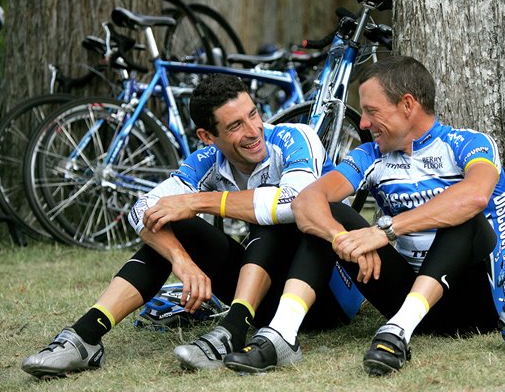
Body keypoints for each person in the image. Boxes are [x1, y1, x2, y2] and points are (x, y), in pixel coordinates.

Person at [21, 74, 362, 378]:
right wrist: (182, 262)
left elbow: (294, 201)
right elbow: (141, 210)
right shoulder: (205, 162)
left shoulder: (293, 137)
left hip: (328, 294)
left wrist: (196, 202)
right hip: (265, 301)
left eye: (253, 114)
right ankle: (84, 337)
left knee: (268, 215)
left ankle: (232, 329)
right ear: (206, 136)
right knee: (172, 226)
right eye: (235, 126)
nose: (253, 130)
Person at [290, 55, 505, 376]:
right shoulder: (370, 154)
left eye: (371, 111)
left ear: (407, 104)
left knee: (464, 214)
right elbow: (307, 201)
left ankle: (397, 330)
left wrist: (385, 231)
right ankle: (282, 332)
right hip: (411, 302)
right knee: (335, 213)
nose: (364, 123)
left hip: (477, 306)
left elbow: (475, 195)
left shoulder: (467, 143)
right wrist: (339, 237)